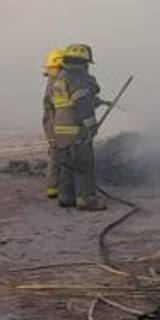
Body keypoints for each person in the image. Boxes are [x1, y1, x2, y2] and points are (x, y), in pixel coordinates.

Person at [48, 43, 111, 211]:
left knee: (68, 165)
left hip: (61, 130)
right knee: (83, 164)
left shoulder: (60, 78)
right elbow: (81, 103)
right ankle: (86, 199)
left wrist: (96, 101)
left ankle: (66, 197)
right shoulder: (80, 76)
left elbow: (67, 102)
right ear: (83, 62)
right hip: (76, 129)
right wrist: (91, 125)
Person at [40, 48, 64, 199]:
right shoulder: (56, 82)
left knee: (57, 153)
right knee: (57, 153)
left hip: (54, 123)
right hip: (54, 124)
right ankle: (53, 188)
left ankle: (55, 187)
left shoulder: (54, 80)